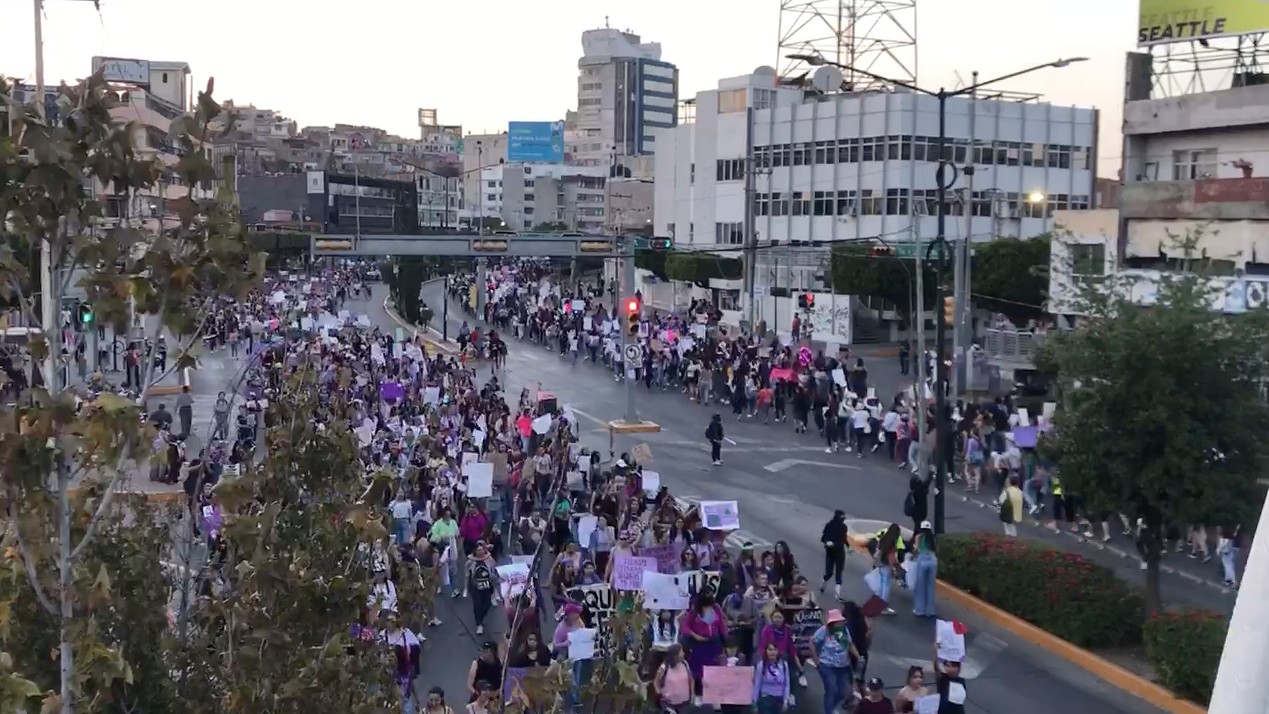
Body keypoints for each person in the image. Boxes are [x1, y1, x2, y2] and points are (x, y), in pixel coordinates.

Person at [811, 609, 861, 714]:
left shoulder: (844, 631)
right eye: (840, 621)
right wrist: (816, 659)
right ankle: (828, 711)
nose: (842, 623)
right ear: (833, 623)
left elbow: (850, 644)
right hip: (827, 665)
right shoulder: (824, 631)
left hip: (843, 666)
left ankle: (831, 707)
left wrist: (858, 656)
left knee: (843, 692)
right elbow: (812, 642)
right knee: (831, 689)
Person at [751, 642, 792, 714]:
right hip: (766, 699)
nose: (772, 652)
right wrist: (754, 703)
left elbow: (787, 684)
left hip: (780, 699)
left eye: (775, 650)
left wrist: (786, 701)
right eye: (770, 650)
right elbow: (757, 685)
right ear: (766, 651)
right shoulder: (761, 665)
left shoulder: (783, 665)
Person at [654, 643, 693, 713]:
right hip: (669, 704)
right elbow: (656, 681)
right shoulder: (664, 667)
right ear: (675, 655)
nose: (683, 654)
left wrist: (692, 694)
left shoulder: (685, 664)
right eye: (681, 652)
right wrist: (659, 694)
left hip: (684, 704)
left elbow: (691, 679)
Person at [911, 521, 938, 617]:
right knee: (930, 587)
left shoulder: (919, 537)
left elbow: (916, 550)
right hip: (933, 560)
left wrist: (912, 556)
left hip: (922, 560)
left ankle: (920, 610)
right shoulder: (932, 538)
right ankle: (930, 611)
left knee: (920, 587)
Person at [819, 509, 849, 599]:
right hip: (830, 552)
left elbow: (844, 538)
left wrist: (849, 546)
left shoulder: (844, 527)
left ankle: (837, 594)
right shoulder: (829, 525)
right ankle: (823, 582)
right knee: (829, 572)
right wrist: (827, 542)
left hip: (840, 552)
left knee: (839, 573)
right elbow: (823, 538)